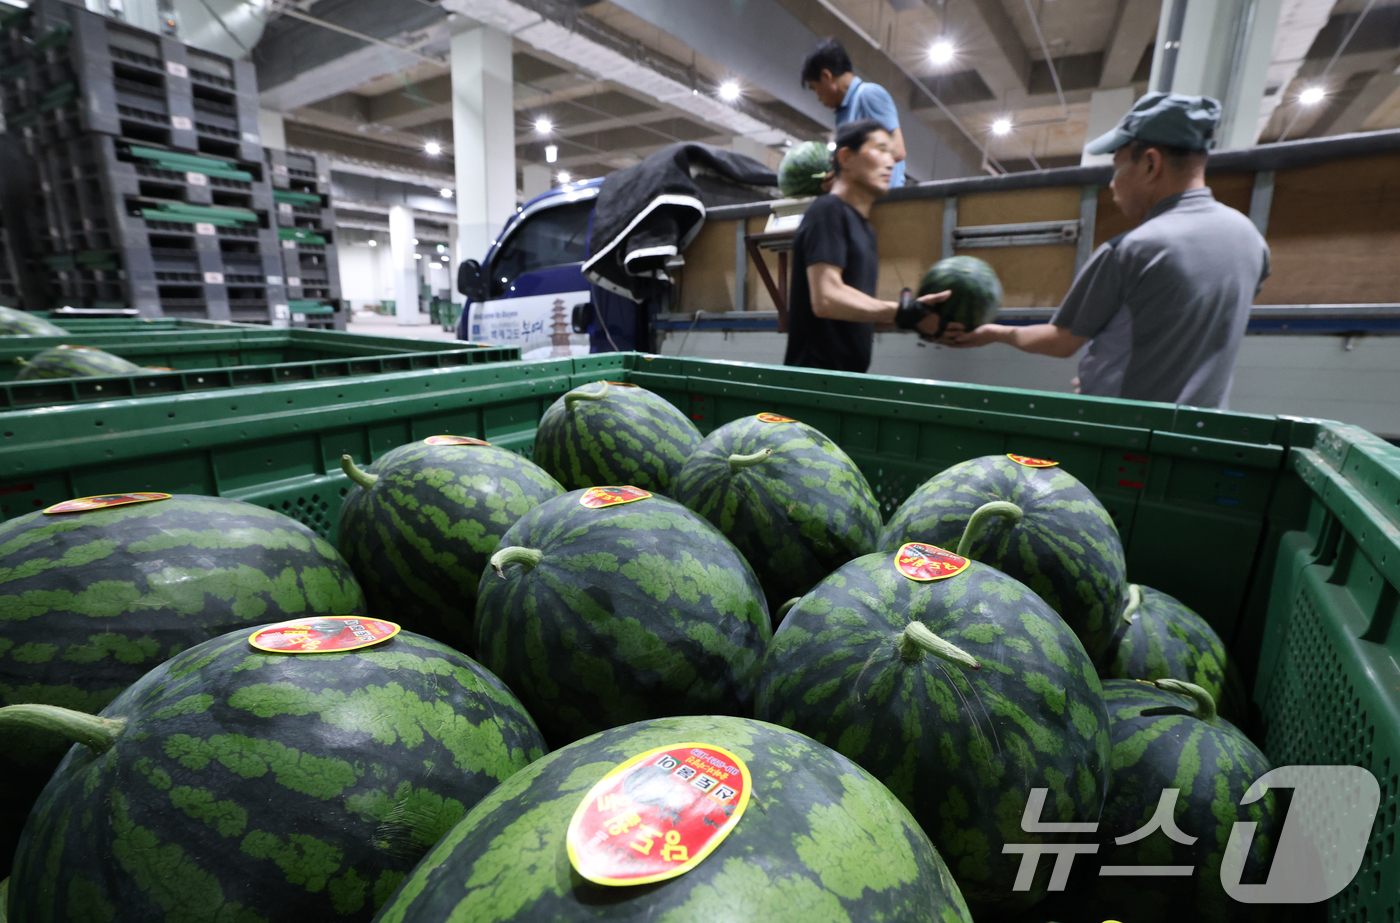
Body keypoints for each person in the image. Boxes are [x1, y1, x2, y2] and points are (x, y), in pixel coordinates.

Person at [942, 93, 1270, 410]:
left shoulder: (1132, 250)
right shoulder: (1250, 240)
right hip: (1206, 435)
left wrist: (994, 333)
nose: (1112, 183)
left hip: (1131, 436)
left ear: (1150, 164)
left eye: (1117, 166)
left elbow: (1061, 341)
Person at [784, 118, 946, 372]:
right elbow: (827, 299)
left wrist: (915, 316)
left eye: (892, 154)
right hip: (815, 385)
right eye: (881, 149)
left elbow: (858, 317)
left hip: (848, 382)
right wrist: (901, 310)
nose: (891, 162)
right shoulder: (827, 211)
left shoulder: (866, 231)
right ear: (846, 158)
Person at [802, 38, 906, 188]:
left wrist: (844, 174)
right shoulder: (842, 113)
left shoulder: (869, 95)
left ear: (826, 77)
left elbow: (897, 150)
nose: (818, 97)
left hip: (884, 204)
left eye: (814, 88)